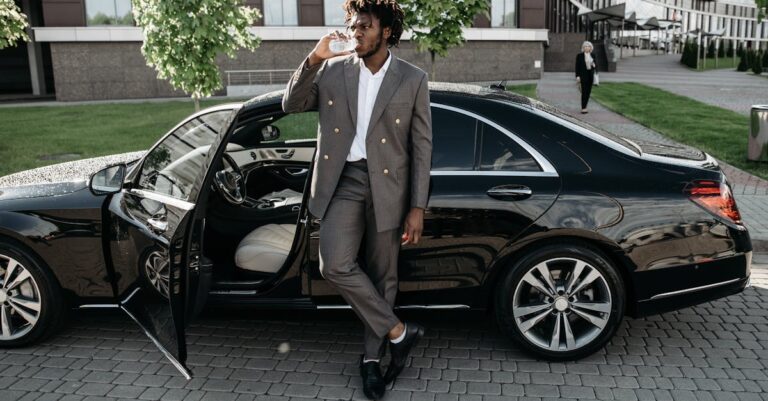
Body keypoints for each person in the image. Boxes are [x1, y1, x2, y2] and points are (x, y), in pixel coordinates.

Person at [282, 0, 432, 399]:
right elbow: (291, 104)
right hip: (342, 182)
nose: (356, 32)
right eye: (352, 25)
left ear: (386, 32)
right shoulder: (332, 70)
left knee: (385, 276)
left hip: (390, 189)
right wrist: (315, 56)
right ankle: (400, 332)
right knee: (334, 263)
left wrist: (417, 207)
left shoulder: (413, 78)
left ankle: (371, 361)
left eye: (364, 26)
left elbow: (421, 146)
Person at [575, 40, 597, 114]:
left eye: (588, 46)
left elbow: (596, 66)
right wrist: (577, 76)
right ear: (583, 48)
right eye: (585, 46)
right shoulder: (579, 56)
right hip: (583, 76)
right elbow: (577, 67)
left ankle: (585, 106)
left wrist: (593, 65)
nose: (587, 48)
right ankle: (583, 108)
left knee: (588, 92)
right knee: (584, 92)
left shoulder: (593, 55)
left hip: (590, 76)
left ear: (590, 48)